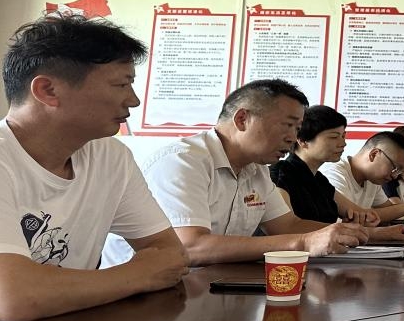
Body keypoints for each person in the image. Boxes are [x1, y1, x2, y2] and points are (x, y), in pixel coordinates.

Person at [0, 15, 187, 321]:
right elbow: (13, 298)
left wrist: (143, 271)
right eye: (121, 85)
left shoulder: (110, 157)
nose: (133, 100)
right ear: (48, 90)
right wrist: (139, 274)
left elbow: (169, 252)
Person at [103, 79, 369, 268]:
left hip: (208, 288)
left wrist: (361, 234)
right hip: (141, 299)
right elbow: (190, 247)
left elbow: (288, 225)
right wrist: (302, 243)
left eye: (297, 128)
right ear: (242, 119)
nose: (292, 138)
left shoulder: (256, 170)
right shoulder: (184, 161)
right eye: (287, 125)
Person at [270, 105, 379, 226]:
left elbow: (361, 214)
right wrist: (343, 229)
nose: (343, 143)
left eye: (343, 136)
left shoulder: (319, 180)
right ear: (302, 141)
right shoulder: (281, 175)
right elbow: (288, 227)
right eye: (333, 137)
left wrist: (362, 221)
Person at [321, 131, 404, 223]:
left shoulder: (371, 179)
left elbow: (387, 210)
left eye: (399, 171)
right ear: (374, 154)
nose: (394, 176)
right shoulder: (334, 173)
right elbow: (356, 216)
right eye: (395, 168)